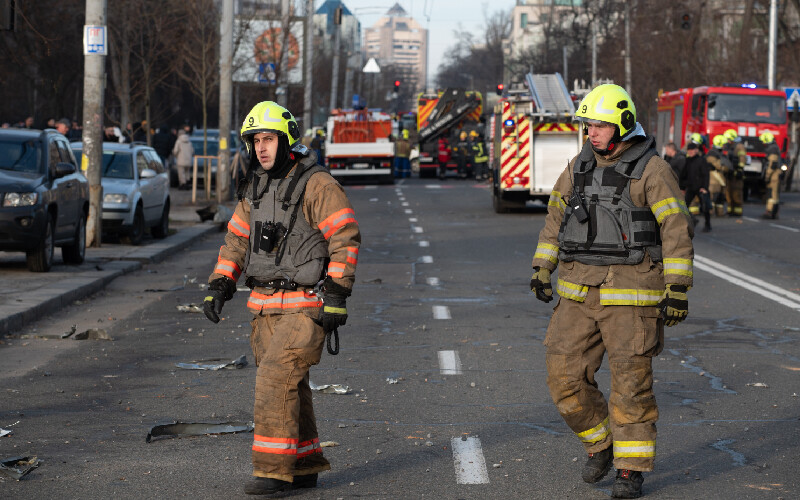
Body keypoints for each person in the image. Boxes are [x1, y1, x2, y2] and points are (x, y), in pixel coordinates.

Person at [530, 84, 693, 499]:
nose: (591, 133)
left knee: (631, 388)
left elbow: (676, 229)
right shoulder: (578, 166)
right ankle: (601, 444)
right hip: (578, 292)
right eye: (587, 125)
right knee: (563, 378)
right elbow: (555, 219)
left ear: (622, 124)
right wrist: (542, 267)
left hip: (632, 296)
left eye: (599, 125)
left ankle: (629, 470)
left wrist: (677, 287)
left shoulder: (652, 170)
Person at [202, 101, 360, 496]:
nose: (261, 148)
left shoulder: (317, 184)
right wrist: (220, 284)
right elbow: (237, 240)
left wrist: (337, 294)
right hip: (265, 307)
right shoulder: (255, 186)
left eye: (268, 139)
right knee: (293, 386)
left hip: (305, 304)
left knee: (275, 381)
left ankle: (273, 471)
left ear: (287, 140)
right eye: (255, 140)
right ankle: (303, 465)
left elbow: (344, 237)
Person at [681, 143, 712, 232]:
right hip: (690, 187)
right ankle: (692, 220)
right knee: (684, 206)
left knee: (705, 207)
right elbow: (684, 174)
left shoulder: (701, 160)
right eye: (689, 150)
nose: (690, 152)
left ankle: (708, 224)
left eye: (692, 150)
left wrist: (705, 188)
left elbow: (706, 175)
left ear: (696, 150)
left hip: (700, 188)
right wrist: (682, 187)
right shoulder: (687, 160)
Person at [705, 135, 732, 217]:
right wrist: (725, 167)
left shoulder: (719, 154)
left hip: (720, 180)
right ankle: (710, 212)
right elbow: (719, 166)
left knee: (720, 197)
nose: (725, 146)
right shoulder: (711, 155)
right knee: (713, 197)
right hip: (714, 180)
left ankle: (720, 213)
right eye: (723, 144)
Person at [760, 131, 783, 219]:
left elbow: (772, 164)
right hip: (775, 174)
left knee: (772, 194)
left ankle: (771, 212)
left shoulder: (772, 149)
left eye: (764, 141)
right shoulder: (774, 147)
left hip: (774, 175)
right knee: (773, 195)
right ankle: (772, 212)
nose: (763, 143)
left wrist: (767, 176)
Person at [722, 129, 745, 216]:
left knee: (736, 193)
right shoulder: (729, 147)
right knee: (729, 192)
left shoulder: (739, 146)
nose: (727, 141)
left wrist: (739, 170)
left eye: (728, 139)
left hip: (737, 173)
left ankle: (737, 211)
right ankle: (730, 210)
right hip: (730, 173)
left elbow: (742, 158)